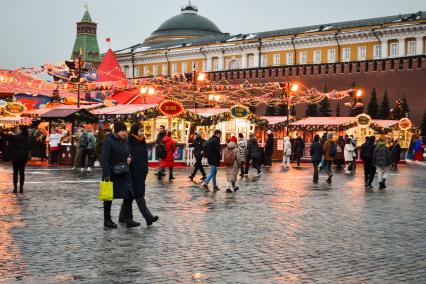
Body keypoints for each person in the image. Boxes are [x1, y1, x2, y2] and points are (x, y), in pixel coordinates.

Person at [101, 122, 140, 229]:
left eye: (125, 131)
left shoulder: (125, 141)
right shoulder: (109, 140)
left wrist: (130, 158)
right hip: (112, 173)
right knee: (109, 197)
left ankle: (129, 219)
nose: (124, 133)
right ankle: (107, 220)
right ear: (117, 131)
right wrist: (106, 175)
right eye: (122, 131)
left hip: (124, 173)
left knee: (129, 194)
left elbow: (129, 153)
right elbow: (105, 158)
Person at [126, 123, 159, 226]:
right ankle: (148, 218)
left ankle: (123, 218)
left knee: (130, 197)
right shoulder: (129, 142)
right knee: (137, 195)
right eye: (140, 130)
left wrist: (145, 170)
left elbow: (144, 157)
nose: (142, 132)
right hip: (131, 173)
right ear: (135, 131)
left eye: (143, 130)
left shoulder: (142, 141)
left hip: (141, 172)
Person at [0, 126, 31, 193]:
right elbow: (29, 147)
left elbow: (6, 136)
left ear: (20, 130)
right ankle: (21, 188)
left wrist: (1, 132)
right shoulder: (27, 138)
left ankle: (15, 188)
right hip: (23, 157)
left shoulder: (16, 137)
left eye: (17, 129)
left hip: (16, 157)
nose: (16, 130)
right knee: (22, 172)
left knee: (15, 172)